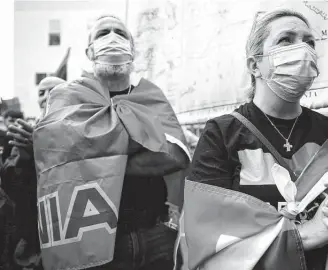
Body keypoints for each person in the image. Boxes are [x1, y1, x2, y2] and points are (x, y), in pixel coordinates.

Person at [180, 10, 328, 269]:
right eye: (286, 40)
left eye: (309, 42)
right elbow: (206, 236)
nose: (302, 49)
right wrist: (305, 235)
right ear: (254, 65)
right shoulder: (222, 133)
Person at [33, 15, 190, 270]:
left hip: (154, 234)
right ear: (89, 50)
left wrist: (100, 158)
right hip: (90, 238)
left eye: (120, 33)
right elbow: (62, 155)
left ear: (132, 48)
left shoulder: (149, 94)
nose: (112, 37)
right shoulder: (68, 95)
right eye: (103, 33)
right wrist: (140, 139)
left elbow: (174, 156)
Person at [0, 76, 66, 270]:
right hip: (32, 226)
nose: (46, 96)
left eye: (53, 90)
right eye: (41, 92)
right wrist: (24, 159)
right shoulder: (26, 131)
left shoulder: (80, 128)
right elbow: (11, 185)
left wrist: (44, 151)